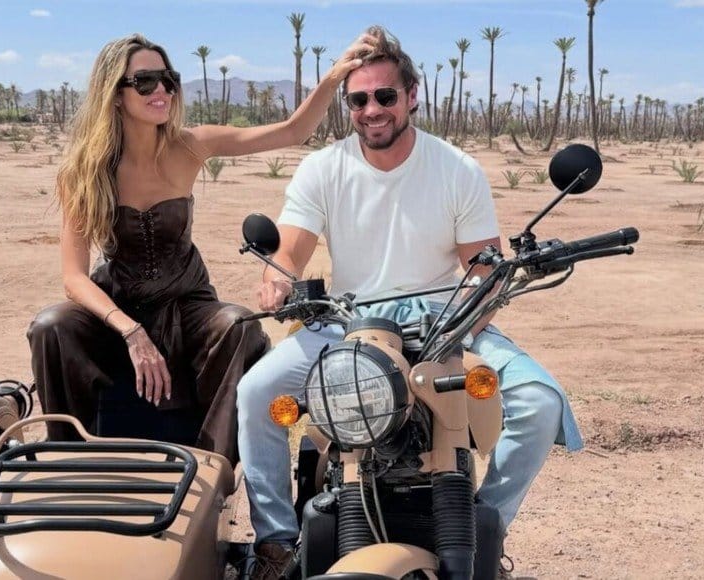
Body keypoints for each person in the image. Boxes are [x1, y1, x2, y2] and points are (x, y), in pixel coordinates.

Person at [236, 25, 584, 579]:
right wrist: (277, 280)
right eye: (358, 100)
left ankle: (481, 525)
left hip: (444, 320)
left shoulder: (455, 168)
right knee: (257, 392)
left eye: (385, 95)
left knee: (538, 404)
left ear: (411, 95)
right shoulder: (323, 168)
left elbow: (482, 267)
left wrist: (467, 316)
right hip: (349, 324)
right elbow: (289, 251)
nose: (372, 110)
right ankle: (276, 545)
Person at [27, 32, 374, 466]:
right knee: (51, 326)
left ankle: (213, 470)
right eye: (145, 82)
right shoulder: (84, 169)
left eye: (168, 79)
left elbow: (293, 131)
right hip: (118, 305)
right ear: (114, 94)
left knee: (239, 326)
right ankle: (68, 459)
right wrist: (131, 331)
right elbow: (73, 277)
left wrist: (334, 76)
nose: (162, 90)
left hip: (187, 303)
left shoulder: (189, 146)